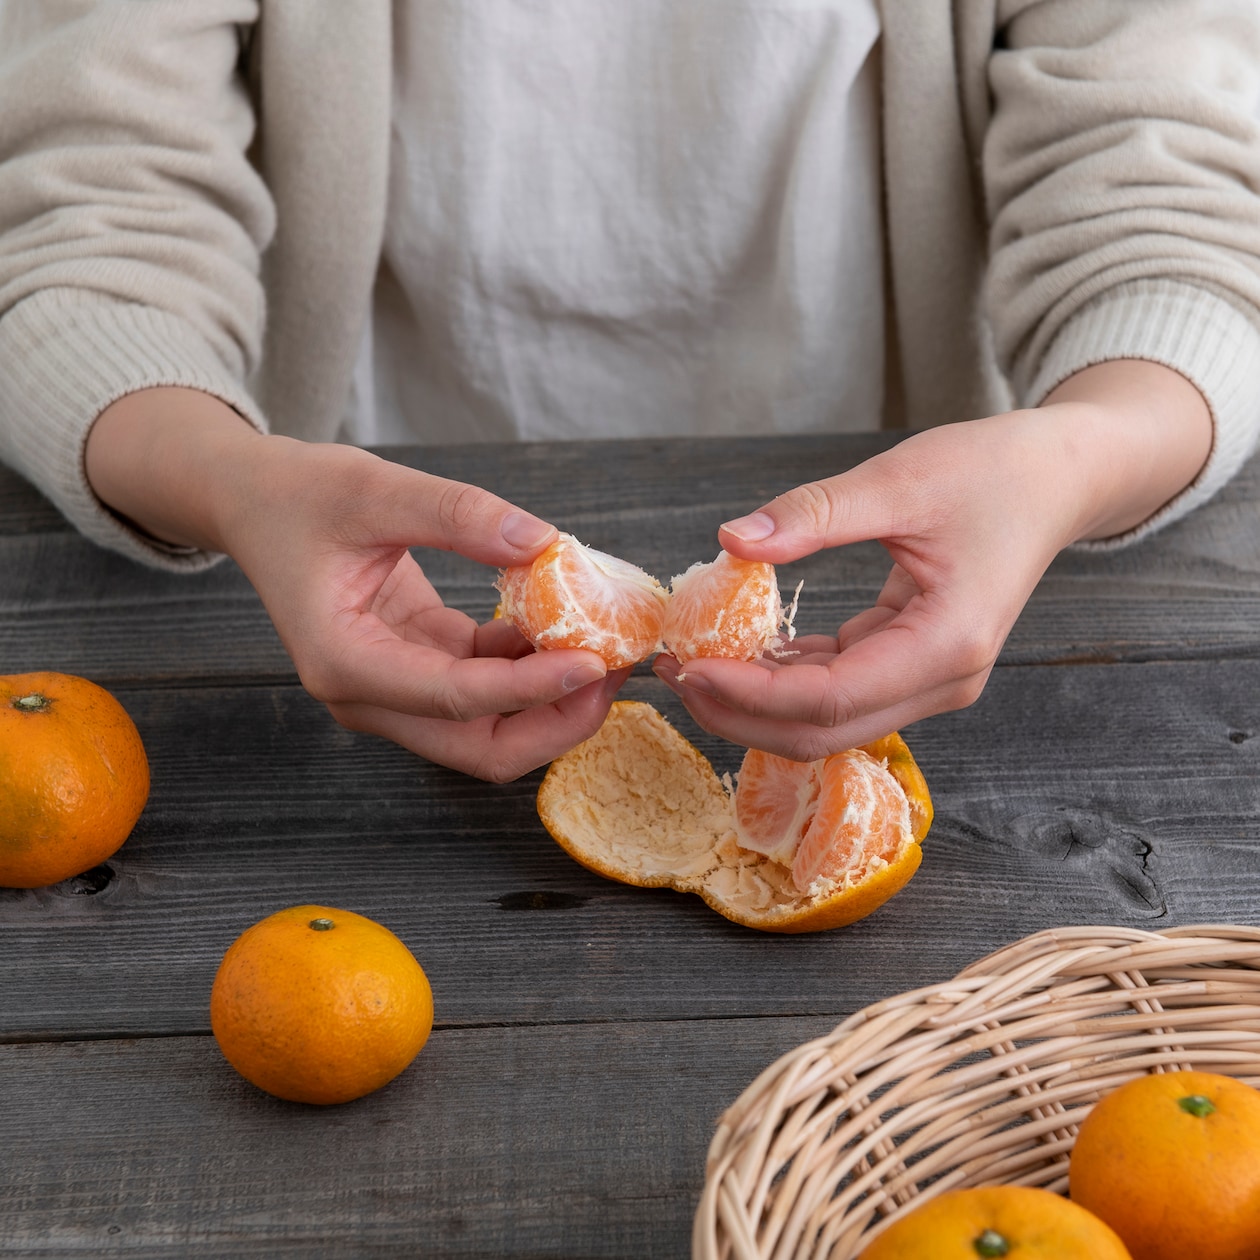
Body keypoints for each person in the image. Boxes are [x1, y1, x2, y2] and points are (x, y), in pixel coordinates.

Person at [2, 1, 1259, 782]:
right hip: (341, 519)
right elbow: (84, 210)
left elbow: (1175, 198)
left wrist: (1077, 453)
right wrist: (228, 478)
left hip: (910, 513)